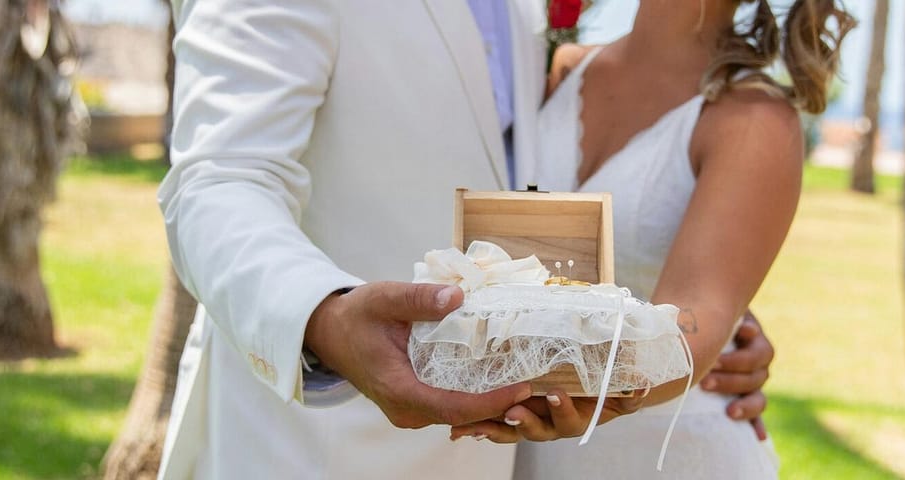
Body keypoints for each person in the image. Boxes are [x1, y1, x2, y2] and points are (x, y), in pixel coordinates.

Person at [156, 0, 776, 478]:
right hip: (312, 450)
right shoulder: (572, 67)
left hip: (533, 448)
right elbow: (220, 179)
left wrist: (670, 333)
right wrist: (324, 316)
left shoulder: (527, 20)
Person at [451, 0, 853, 478]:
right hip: (529, 454)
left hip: (666, 453)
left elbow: (695, 322)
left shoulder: (755, 120)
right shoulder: (559, 71)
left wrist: (697, 343)